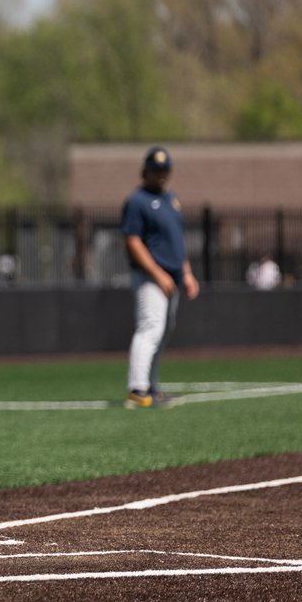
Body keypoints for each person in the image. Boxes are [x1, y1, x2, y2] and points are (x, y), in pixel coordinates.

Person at [121, 146, 200, 408]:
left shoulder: (171, 200)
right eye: (155, 171)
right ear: (145, 171)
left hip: (172, 278)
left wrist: (186, 273)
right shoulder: (137, 201)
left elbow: (176, 242)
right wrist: (157, 273)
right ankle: (137, 388)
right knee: (150, 328)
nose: (161, 175)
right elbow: (133, 241)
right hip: (149, 278)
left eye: (164, 171)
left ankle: (151, 386)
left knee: (163, 331)